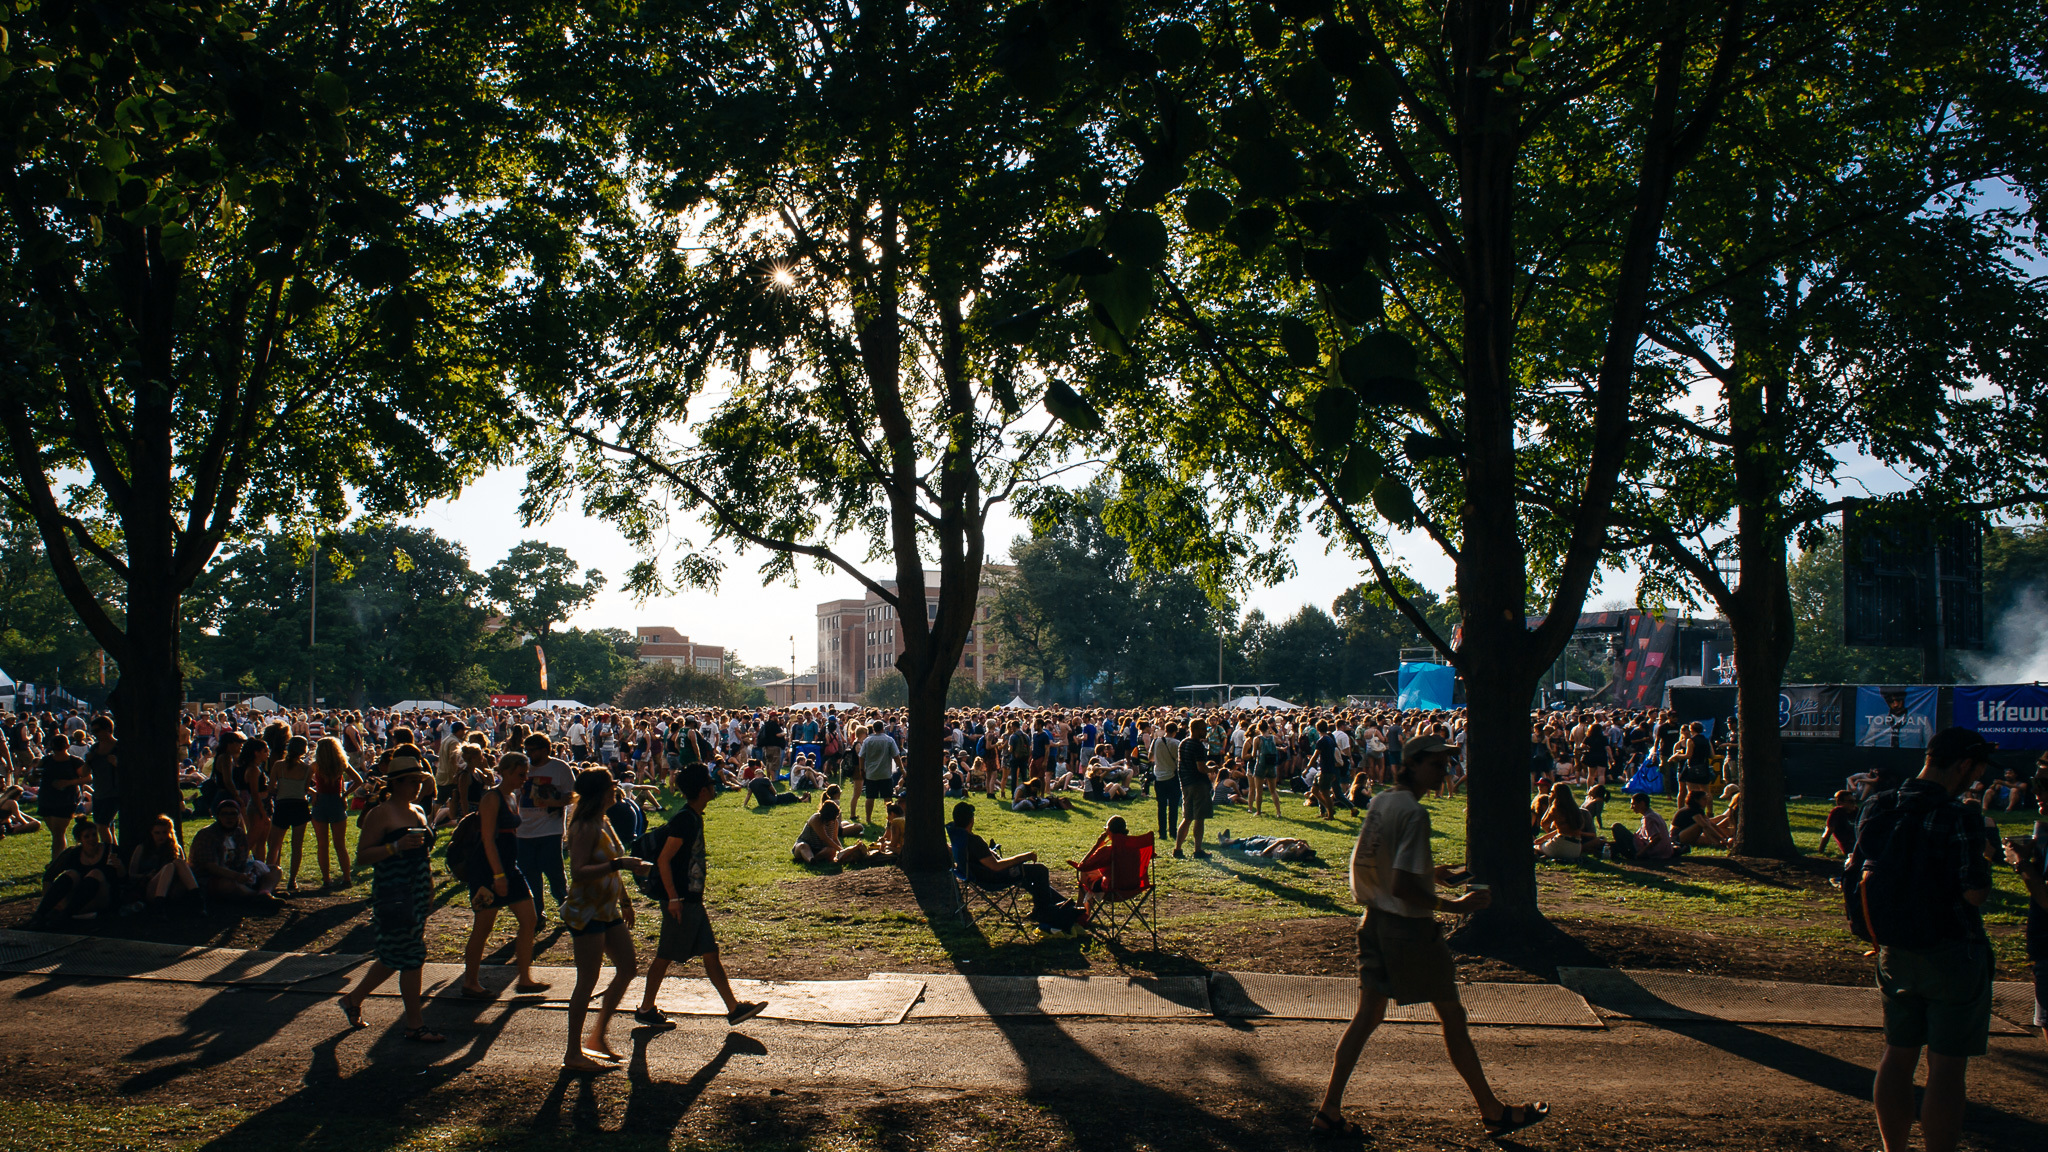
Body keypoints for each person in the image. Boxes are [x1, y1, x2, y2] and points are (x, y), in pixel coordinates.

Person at [1314, 733, 1546, 1140]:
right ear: (1414, 764)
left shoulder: (1384, 801)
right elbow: (1404, 886)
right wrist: (1458, 906)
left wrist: (1430, 875)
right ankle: (1492, 1111)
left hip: (1373, 921)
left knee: (1367, 1017)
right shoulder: (1416, 815)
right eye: (1437, 765)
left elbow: (1373, 864)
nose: (1444, 772)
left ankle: (1329, 1109)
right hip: (1408, 929)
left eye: (1446, 765)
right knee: (1452, 1016)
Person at [1851, 727, 1998, 1152]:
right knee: (1947, 1070)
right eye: (1978, 769)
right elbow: (1974, 892)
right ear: (1966, 765)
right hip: (1952, 950)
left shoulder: (1878, 803)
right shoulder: (1961, 815)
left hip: (1894, 949)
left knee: (1897, 1057)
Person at [633, 764, 769, 1029]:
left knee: (710, 953)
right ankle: (646, 1008)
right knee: (665, 955)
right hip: (681, 900)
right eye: (710, 783)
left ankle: (734, 1008)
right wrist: (673, 898)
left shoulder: (693, 816)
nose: (714, 786)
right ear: (702, 790)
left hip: (690, 898)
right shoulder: (685, 819)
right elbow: (664, 860)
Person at [338, 758, 443, 1042]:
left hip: (417, 888)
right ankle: (415, 1025)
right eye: (412, 781)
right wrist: (394, 846)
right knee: (411, 957)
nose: (417, 786)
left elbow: (424, 856)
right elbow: (362, 856)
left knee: (394, 954)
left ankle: (353, 999)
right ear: (395, 783)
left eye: (420, 781)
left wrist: (429, 888)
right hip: (393, 891)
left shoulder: (419, 810)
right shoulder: (381, 814)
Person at [558, 767, 650, 1072]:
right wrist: (620, 863)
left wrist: (625, 901)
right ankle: (573, 1052)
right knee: (587, 980)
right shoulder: (584, 826)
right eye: (611, 785)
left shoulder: (604, 821)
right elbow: (579, 872)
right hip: (586, 911)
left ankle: (597, 1037)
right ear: (599, 792)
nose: (616, 788)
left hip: (607, 909)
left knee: (628, 968)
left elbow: (612, 867)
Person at [458, 752, 551, 1000]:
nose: (525, 778)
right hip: (488, 871)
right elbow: (488, 839)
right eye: (521, 774)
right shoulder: (492, 797)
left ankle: (524, 978)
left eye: (526, 773)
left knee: (530, 920)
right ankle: (470, 982)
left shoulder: (513, 797)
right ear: (507, 772)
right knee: (483, 926)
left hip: (510, 868)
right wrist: (497, 875)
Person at [950, 801, 1081, 933]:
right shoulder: (974, 841)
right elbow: (995, 866)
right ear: (971, 820)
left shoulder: (957, 836)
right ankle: (1045, 911)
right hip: (994, 877)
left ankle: (1063, 907)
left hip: (978, 874)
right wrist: (1023, 857)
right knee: (1040, 870)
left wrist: (991, 852)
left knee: (1028, 877)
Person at [514, 732, 574, 921]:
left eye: (532, 750)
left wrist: (554, 802)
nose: (529, 754)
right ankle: (537, 913)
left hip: (550, 830)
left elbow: (572, 795)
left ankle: (567, 908)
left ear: (546, 749)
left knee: (555, 873)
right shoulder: (523, 768)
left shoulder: (559, 768)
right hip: (524, 831)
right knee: (529, 875)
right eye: (527, 750)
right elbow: (513, 794)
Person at [189, 799, 282, 905]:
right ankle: (257, 896)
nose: (229, 818)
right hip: (211, 878)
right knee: (227, 884)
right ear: (218, 816)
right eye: (225, 814)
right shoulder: (207, 835)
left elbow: (242, 861)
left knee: (275, 870)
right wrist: (236, 876)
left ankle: (264, 893)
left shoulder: (239, 833)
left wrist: (249, 872)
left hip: (237, 874)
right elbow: (211, 867)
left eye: (233, 814)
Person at [32, 817, 124, 923]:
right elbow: (48, 876)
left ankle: (65, 915)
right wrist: (48, 900)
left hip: (102, 897)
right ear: (79, 840)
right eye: (87, 836)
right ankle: (41, 914)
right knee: (71, 874)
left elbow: (123, 878)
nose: (92, 839)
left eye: (94, 835)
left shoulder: (110, 851)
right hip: (75, 898)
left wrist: (119, 866)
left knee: (95, 873)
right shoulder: (73, 853)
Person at [309, 736, 361, 887]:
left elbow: (304, 783)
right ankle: (346, 878)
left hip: (320, 802)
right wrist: (345, 795)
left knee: (322, 844)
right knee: (340, 844)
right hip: (336, 802)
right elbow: (358, 780)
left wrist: (313, 793)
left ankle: (326, 879)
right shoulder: (341, 764)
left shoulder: (315, 765)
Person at [267, 735, 314, 891]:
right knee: (297, 846)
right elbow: (305, 789)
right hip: (300, 806)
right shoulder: (307, 769)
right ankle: (292, 880)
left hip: (282, 805)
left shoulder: (278, 766)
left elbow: (271, 787)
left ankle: (270, 877)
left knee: (274, 845)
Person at [128, 814, 201, 911]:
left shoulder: (176, 848)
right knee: (169, 867)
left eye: (164, 832)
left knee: (178, 862)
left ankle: (198, 900)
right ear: (151, 833)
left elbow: (185, 870)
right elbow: (131, 874)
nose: (161, 836)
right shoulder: (142, 848)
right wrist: (146, 875)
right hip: (150, 887)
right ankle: (159, 906)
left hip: (172, 887)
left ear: (170, 833)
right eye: (157, 833)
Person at [35, 732, 87, 861]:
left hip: (66, 800)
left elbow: (88, 777)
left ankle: (55, 863)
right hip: (47, 799)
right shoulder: (46, 760)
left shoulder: (74, 762)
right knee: (57, 834)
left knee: (58, 834)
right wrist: (34, 774)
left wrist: (68, 783)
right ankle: (63, 860)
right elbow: (33, 774)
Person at [1173, 717, 1214, 859]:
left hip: (1185, 784)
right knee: (1199, 818)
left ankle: (1177, 849)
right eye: (1203, 729)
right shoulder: (1198, 746)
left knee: (1187, 818)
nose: (1205, 731)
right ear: (1195, 729)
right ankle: (1198, 850)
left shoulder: (1183, 743)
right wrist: (1212, 769)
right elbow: (1201, 768)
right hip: (1198, 784)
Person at [858, 723, 902, 826]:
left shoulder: (867, 740)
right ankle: (891, 818)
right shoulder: (889, 740)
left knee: (870, 797)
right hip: (885, 773)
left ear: (873, 729)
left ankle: (868, 819)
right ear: (883, 728)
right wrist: (902, 769)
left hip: (871, 774)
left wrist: (861, 769)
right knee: (887, 797)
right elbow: (896, 755)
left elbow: (861, 756)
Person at [1608, 792, 1675, 861]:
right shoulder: (1655, 815)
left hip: (1651, 853)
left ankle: (1628, 855)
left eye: (1633, 804)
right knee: (1612, 844)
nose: (1631, 807)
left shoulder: (1648, 818)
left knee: (1616, 827)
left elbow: (1657, 838)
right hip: (1664, 852)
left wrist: (1640, 853)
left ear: (1642, 804)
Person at [1218, 828, 1316, 861]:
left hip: (1264, 846)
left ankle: (1227, 843)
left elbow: (1265, 854)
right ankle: (1229, 840)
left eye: (1301, 847)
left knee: (1247, 843)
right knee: (1254, 837)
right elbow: (1305, 843)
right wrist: (1299, 841)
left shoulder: (1285, 854)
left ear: (1298, 854)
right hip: (1270, 840)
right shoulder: (1296, 850)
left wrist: (1280, 842)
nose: (1300, 845)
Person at [1820, 789, 1860, 856]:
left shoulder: (1856, 811)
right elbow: (1828, 832)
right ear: (1840, 802)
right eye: (1850, 801)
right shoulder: (1837, 813)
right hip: (1849, 845)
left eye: (1854, 801)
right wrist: (1820, 851)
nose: (1854, 804)